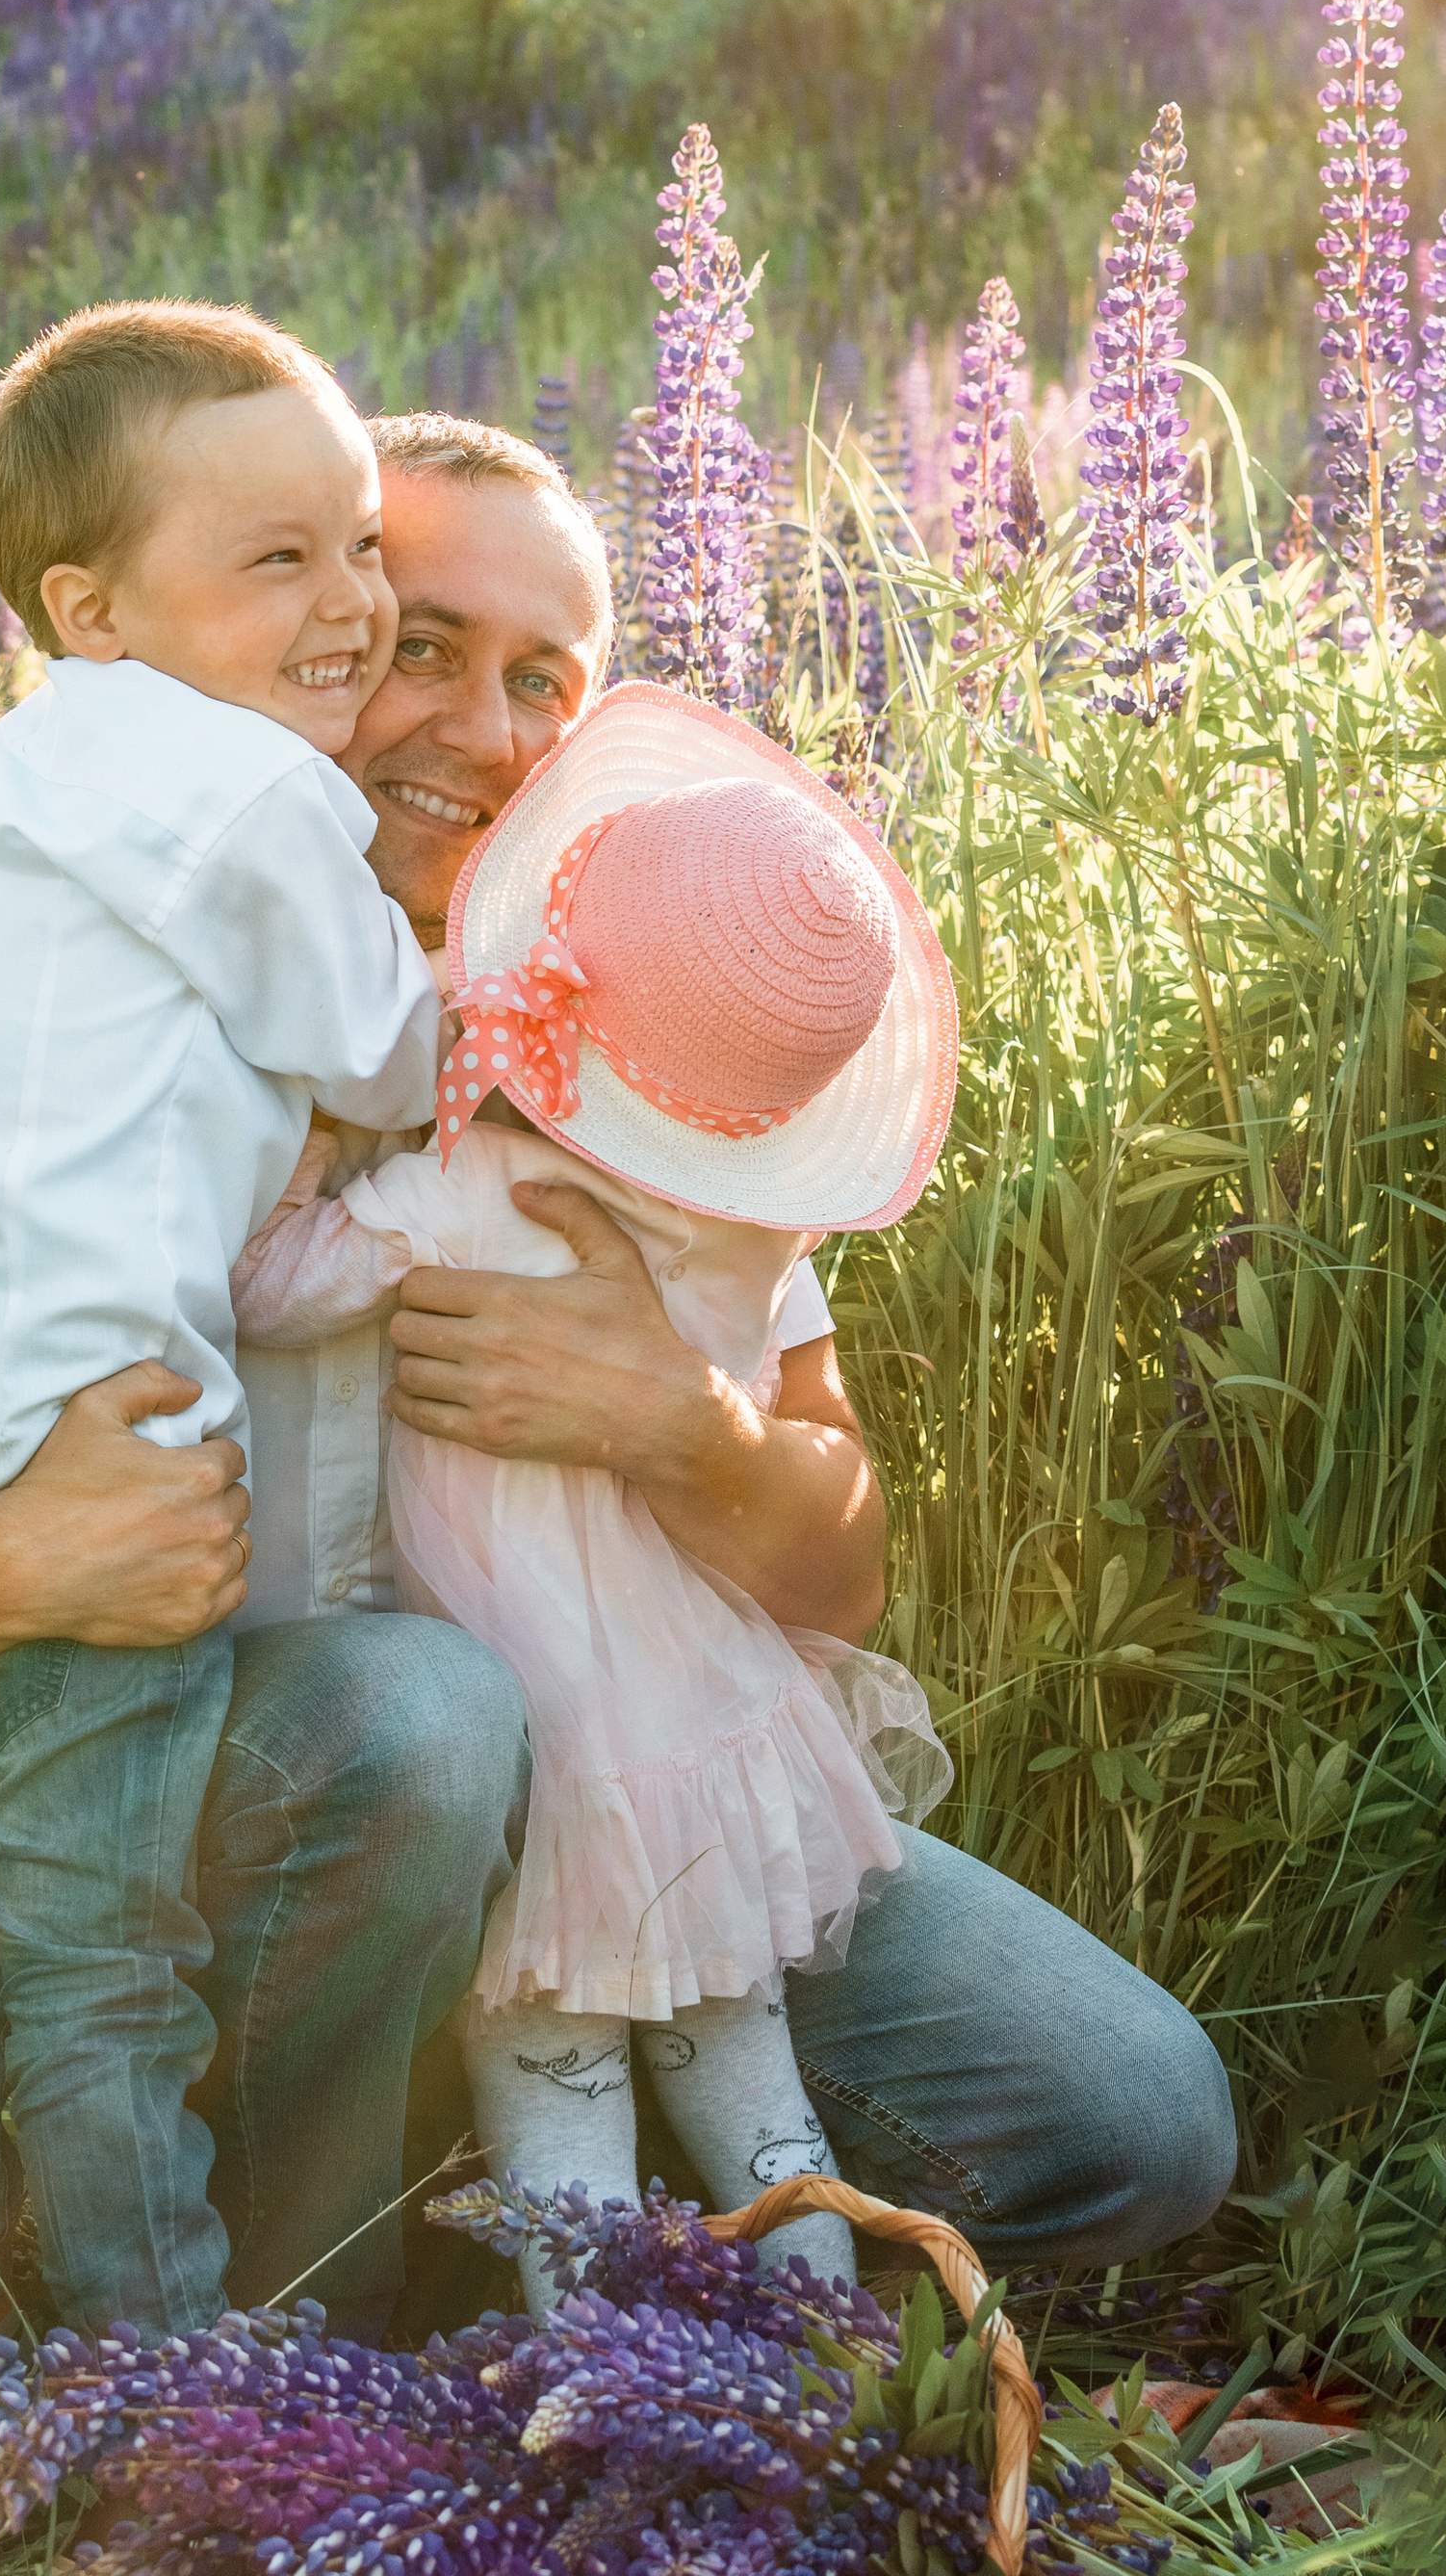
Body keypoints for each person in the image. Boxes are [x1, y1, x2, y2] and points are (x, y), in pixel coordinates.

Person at [0, 414, 1236, 2339]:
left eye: (538, 681)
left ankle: (583, 2239)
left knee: (1129, 2112)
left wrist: (675, 1420)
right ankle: (327, 2318)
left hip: (637, 1827)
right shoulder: (23, 1038)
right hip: (209, 1868)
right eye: (420, 643)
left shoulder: (642, 1054)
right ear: (280, 637)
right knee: (414, 1718)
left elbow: (840, 1568)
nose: (476, 728)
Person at [0, 297, 441, 2333]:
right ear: (91, 604)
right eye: (278, 560)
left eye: (364, 540)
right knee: (99, 1950)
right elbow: (381, 1052)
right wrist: (481, 1008)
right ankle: (165, 2387)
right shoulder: (251, 795)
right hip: (100, 1439)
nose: (355, 606)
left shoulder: (32, 771)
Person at [235, 683, 964, 2307]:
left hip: (557, 1733)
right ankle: (824, 2326)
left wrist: (303, 1135)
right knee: (741, 2058)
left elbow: (274, 1289)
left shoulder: (479, 1181)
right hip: (708, 1711)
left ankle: (596, 2364)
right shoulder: (754, 1226)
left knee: (554, 2055)